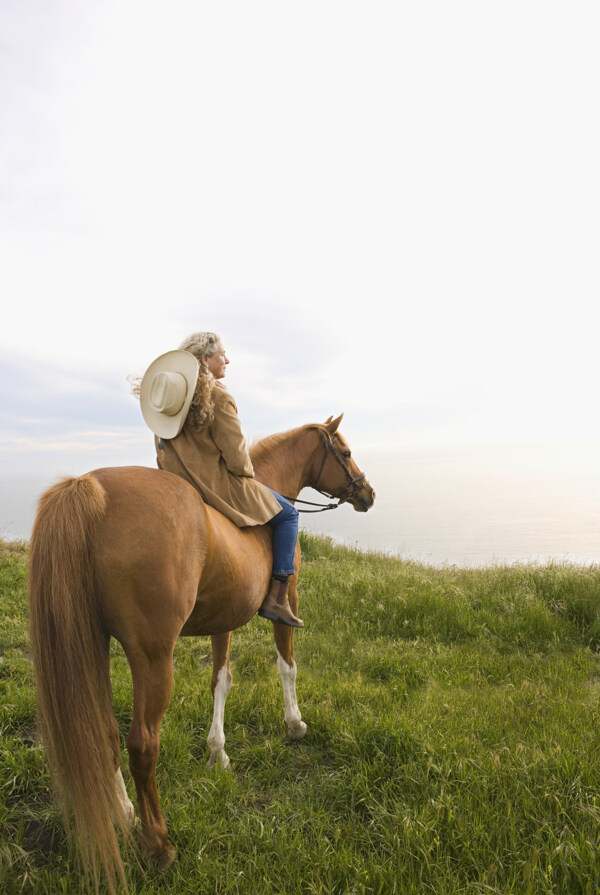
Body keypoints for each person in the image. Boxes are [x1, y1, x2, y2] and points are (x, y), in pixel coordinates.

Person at [138, 331, 304, 628]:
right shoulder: (219, 398)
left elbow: (162, 454)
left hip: (177, 485)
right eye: (222, 354)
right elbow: (239, 460)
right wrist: (248, 477)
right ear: (205, 360)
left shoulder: (169, 397)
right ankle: (278, 597)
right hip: (218, 488)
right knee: (289, 514)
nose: (227, 359)